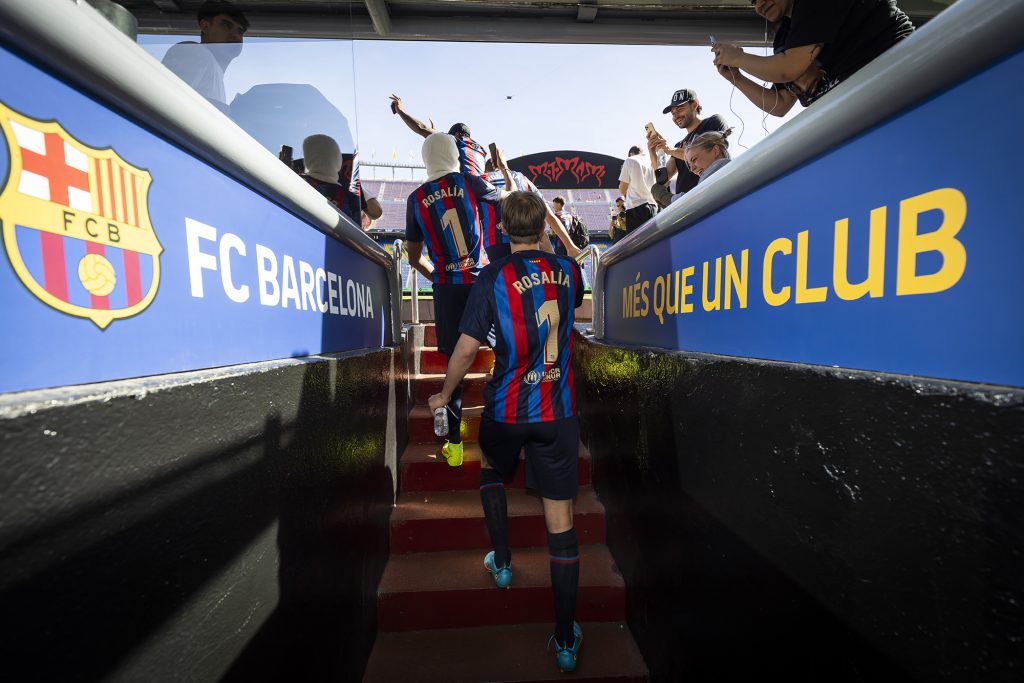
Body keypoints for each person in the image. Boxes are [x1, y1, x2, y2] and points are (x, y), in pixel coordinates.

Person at [427, 191, 585, 673]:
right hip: (557, 413)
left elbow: (465, 349)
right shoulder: (569, 271)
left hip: (507, 409)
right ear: (542, 226)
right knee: (563, 528)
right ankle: (563, 640)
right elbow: (568, 302)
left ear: (500, 229)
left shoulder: (492, 276)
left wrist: (443, 394)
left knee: (491, 467)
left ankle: (501, 559)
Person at [406, 133, 516, 467]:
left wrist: (437, 275)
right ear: (455, 155)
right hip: (480, 281)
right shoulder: (470, 182)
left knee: (455, 364)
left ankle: (453, 445)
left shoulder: (414, 199)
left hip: (446, 289)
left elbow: (413, 257)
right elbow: (508, 198)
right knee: (506, 349)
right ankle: (509, 425)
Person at [712, 0, 915, 115]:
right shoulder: (784, 37)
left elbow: (787, 68)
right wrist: (736, 78)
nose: (760, 4)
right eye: (754, 1)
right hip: (859, 112)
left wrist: (738, 57)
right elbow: (780, 103)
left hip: (903, 82)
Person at [481, 159, 581, 261]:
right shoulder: (521, 178)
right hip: (529, 243)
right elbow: (549, 215)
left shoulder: (481, 181)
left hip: (495, 244)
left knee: (502, 275)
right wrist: (570, 246)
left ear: (486, 169)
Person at [161, 1, 248, 112]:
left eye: (240, 31)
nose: (235, 35)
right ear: (205, 26)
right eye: (226, 25)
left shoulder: (214, 72)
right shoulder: (192, 51)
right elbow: (168, 103)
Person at [646, 88, 727, 206]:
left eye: (679, 109)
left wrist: (670, 150)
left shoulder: (713, 122)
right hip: (685, 206)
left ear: (694, 104)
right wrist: (654, 152)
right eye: (673, 113)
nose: (676, 116)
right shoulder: (679, 145)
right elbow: (664, 177)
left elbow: (711, 156)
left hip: (710, 198)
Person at [389, 95, 488, 176]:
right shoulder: (479, 150)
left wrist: (399, 110)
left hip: (465, 189)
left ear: (456, 134)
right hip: (482, 191)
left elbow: (421, 128)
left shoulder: (455, 140)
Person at [300, 134, 374, 227]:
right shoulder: (345, 194)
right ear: (338, 161)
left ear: (306, 159)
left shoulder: (296, 183)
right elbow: (376, 213)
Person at [617, 145, 657, 241]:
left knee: (635, 244)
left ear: (630, 154)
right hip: (653, 205)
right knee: (651, 241)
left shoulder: (630, 160)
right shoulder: (651, 160)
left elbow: (622, 188)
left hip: (636, 207)